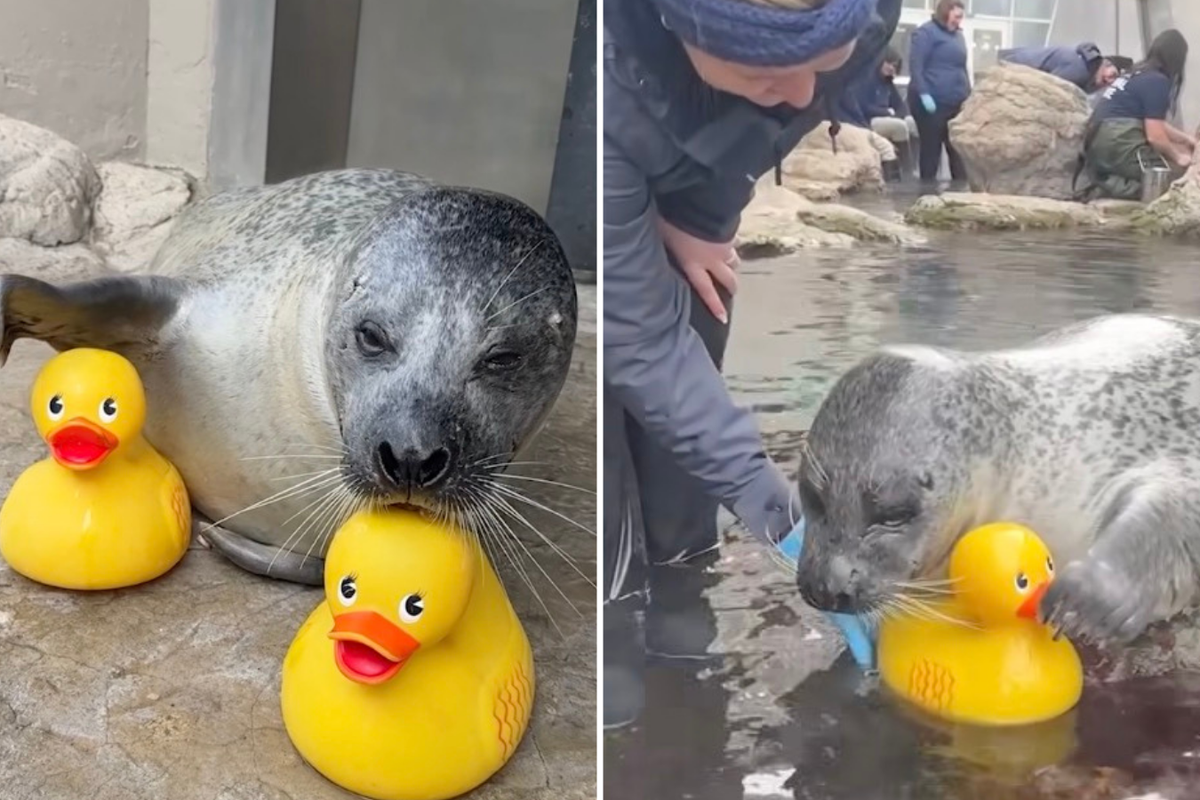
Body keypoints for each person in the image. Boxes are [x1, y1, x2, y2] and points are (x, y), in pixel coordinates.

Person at [603, 0, 900, 729]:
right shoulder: (610, 68)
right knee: (616, 379)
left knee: (695, 343)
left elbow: (770, 117)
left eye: (823, 64)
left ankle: (681, 593)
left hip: (687, 186)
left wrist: (704, 218)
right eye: (763, 68)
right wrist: (776, 508)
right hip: (613, 169)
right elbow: (638, 340)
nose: (804, 97)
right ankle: (610, 622)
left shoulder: (864, 20)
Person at [1079, 28, 1194, 201]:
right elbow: (1155, 136)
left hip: (1096, 142)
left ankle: (1106, 181)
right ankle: (1113, 188)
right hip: (1116, 141)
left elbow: (1155, 122)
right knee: (1163, 178)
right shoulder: (1157, 81)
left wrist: (1186, 140)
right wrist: (1179, 157)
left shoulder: (1136, 72)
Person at [907, 0, 970, 184]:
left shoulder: (958, 36)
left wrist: (969, 94)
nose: (959, 21)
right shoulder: (926, 33)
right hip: (931, 102)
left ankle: (961, 197)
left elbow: (961, 67)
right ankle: (926, 196)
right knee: (931, 151)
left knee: (958, 152)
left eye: (961, 17)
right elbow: (916, 66)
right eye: (956, 17)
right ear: (945, 13)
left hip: (955, 102)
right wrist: (924, 93)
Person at [839, 46, 916, 180]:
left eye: (894, 65)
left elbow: (900, 105)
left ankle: (912, 167)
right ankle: (905, 170)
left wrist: (902, 115)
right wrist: (887, 112)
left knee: (910, 123)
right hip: (869, 120)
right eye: (888, 63)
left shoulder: (888, 83)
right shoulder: (867, 80)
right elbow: (864, 107)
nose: (891, 67)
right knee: (899, 127)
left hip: (886, 118)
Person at [999, 42, 1119, 93]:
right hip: (1010, 67)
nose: (1109, 81)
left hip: (1012, 59)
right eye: (1113, 75)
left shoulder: (1083, 60)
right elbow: (1050, 91)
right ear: (1106, 63)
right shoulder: (1080, 70)